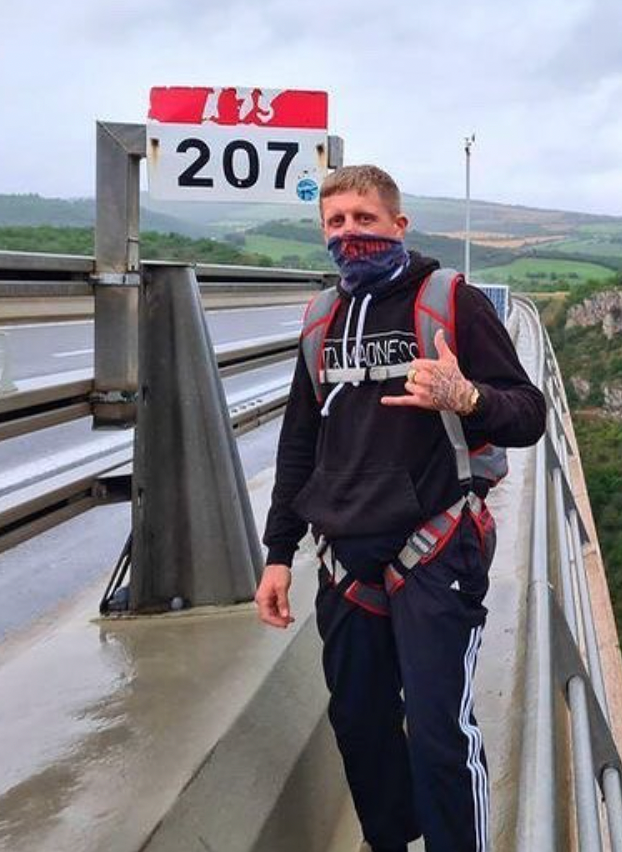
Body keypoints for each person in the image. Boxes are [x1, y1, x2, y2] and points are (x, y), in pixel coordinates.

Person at [255, 165, 546, 852]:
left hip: (435, 548)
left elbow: (527, 415)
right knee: (359, 726)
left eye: (364, 219)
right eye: (336, 222)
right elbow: (300, 442)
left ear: (398, 225)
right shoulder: (321, 318)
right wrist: (277, 553)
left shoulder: (451, 302)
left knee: (441, 733)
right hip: (344, 558)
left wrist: (466, 397)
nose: (349, 234)